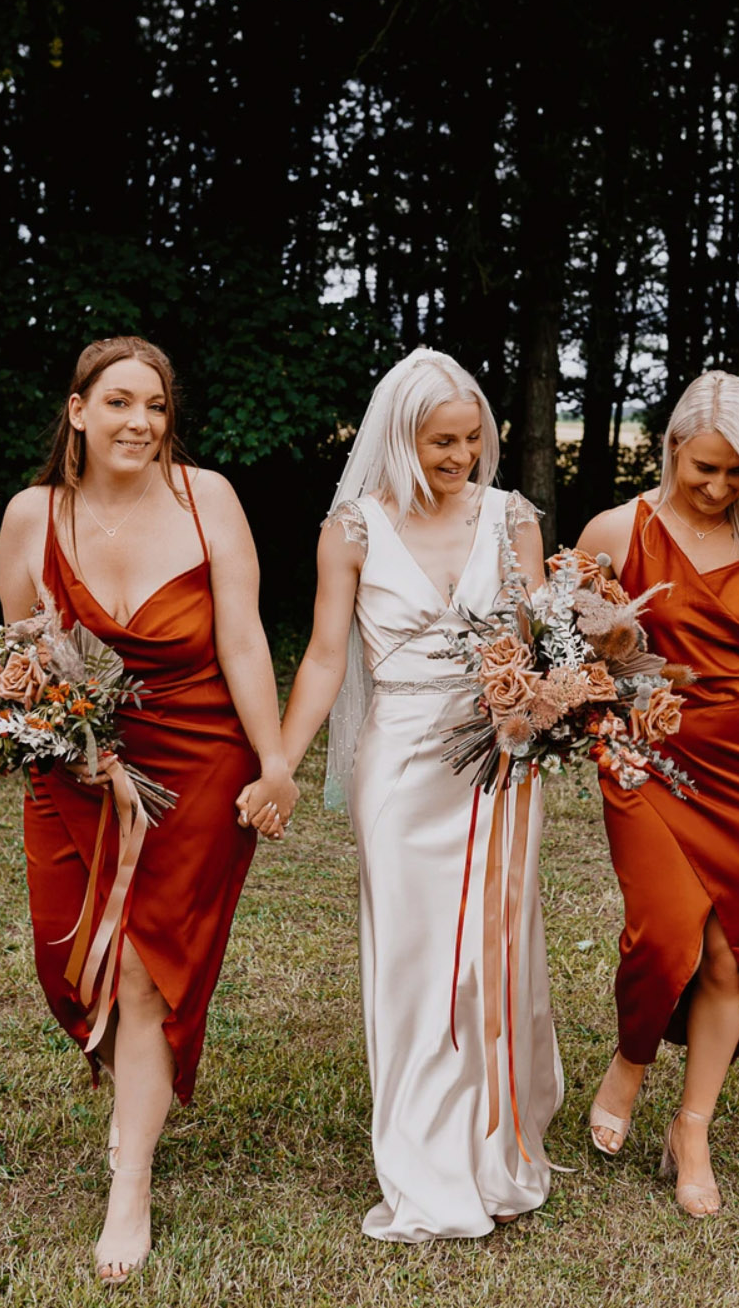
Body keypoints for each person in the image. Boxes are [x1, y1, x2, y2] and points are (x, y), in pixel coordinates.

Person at [0, 336, 298, 1282]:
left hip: (201, 759)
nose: (141, 422)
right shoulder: (31, 515)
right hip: (79, 771)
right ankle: (129, 1095)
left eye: (156, 406)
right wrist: (71, 744)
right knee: (68, 959)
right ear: (77, 412)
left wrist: (278, 760)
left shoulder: (206, 500)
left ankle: (130, 1182)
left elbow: (244, 640)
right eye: (119, 402)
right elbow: (24, 658)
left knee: (142, 971)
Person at [280, 347, 563, 1241]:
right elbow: (328, 657)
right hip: (401, 766)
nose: (462, 458)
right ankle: (425, 1170)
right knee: (411, 966)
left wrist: (559, 697)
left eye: (474, 439)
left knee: (493, 957)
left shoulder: (515, 519)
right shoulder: (352, 530)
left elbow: (547, 639)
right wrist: (281, 764)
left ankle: (496, 1152)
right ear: (402, 438)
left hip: (501, 758)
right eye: (443, 441)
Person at [577, 370, 739, 1217]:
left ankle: (693, 1128)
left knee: (729, 954)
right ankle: (631, 1059)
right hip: (645, 755)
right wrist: (591, 669)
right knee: (663, 930)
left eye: (737, 473)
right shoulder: (617, 528)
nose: (719, 489)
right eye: (703, 470)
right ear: (672, 449)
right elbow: (559, 641)